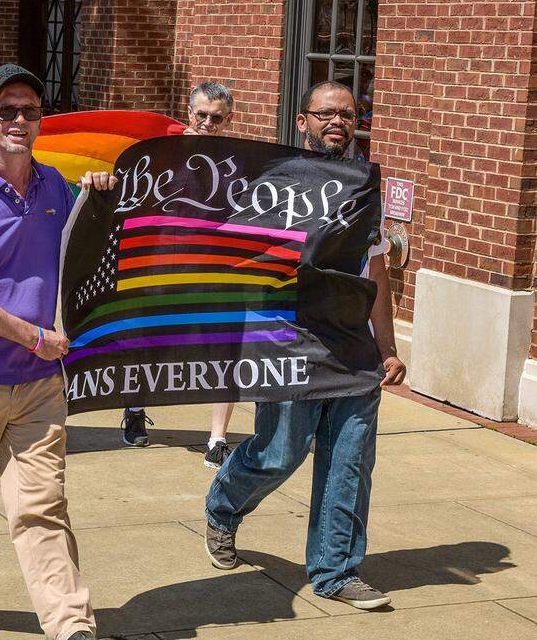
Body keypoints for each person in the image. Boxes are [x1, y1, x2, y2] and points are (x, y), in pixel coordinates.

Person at [0, 63, 114, 640]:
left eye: (29, 110)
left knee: (41, 508)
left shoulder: (55, 186)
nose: (18, 120)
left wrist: (99, 197)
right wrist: (34, 336)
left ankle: (70, 624)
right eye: (5, 110)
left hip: (38, 386)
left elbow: (87, 244)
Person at [203, 80, 407, 611]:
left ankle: (336, 571)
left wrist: (387, 346)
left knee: (349, 462)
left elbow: (377, 275)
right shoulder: (273, 182)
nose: (337, 121)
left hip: (352, 349)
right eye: (325, 114)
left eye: (347, 114)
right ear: (302, 121)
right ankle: (224, 506)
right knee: (279, 453)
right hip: (286, 341)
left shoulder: (366, 188)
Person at [121, 81, 238, 467]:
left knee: (225, 349)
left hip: (215, 269)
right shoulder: (162, 150)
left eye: (216, 117)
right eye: (201, 114)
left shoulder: (238, 160)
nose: (207, 122)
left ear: (228, 119)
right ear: (189, 113)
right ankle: (135, 408)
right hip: (161, 263)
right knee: (148, 344)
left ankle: (217, 439)